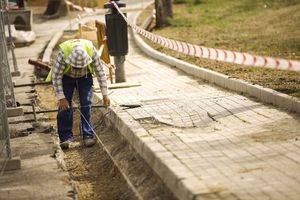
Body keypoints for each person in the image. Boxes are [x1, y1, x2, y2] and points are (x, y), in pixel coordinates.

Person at [46, 39, 110, 149]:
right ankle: (65, 138)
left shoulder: (91, 52)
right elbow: (56, 77)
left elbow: (100, 73)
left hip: (85, 78)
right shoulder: (63, 55)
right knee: (65, 106)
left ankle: (88, 135)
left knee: (86, 103)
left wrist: (105, 94)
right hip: (66, 77)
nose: (78, 69)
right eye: (76, 67)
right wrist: (61, 97)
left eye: (81, 67)